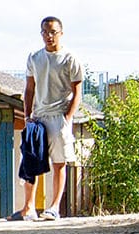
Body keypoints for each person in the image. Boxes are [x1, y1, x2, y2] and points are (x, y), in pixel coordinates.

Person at [8, 16, 83, 221]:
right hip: (38, 117)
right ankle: (28, 208)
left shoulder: (70, 59)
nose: (49, 36)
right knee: (30, 159)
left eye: (53, 32)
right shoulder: (34, 58)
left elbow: (77, 92)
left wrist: (67, 118)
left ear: (61, 33)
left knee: (59, 162)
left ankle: (54, 207)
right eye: (45, 32)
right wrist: (28, 116)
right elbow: (29, 88)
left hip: (59, 116)